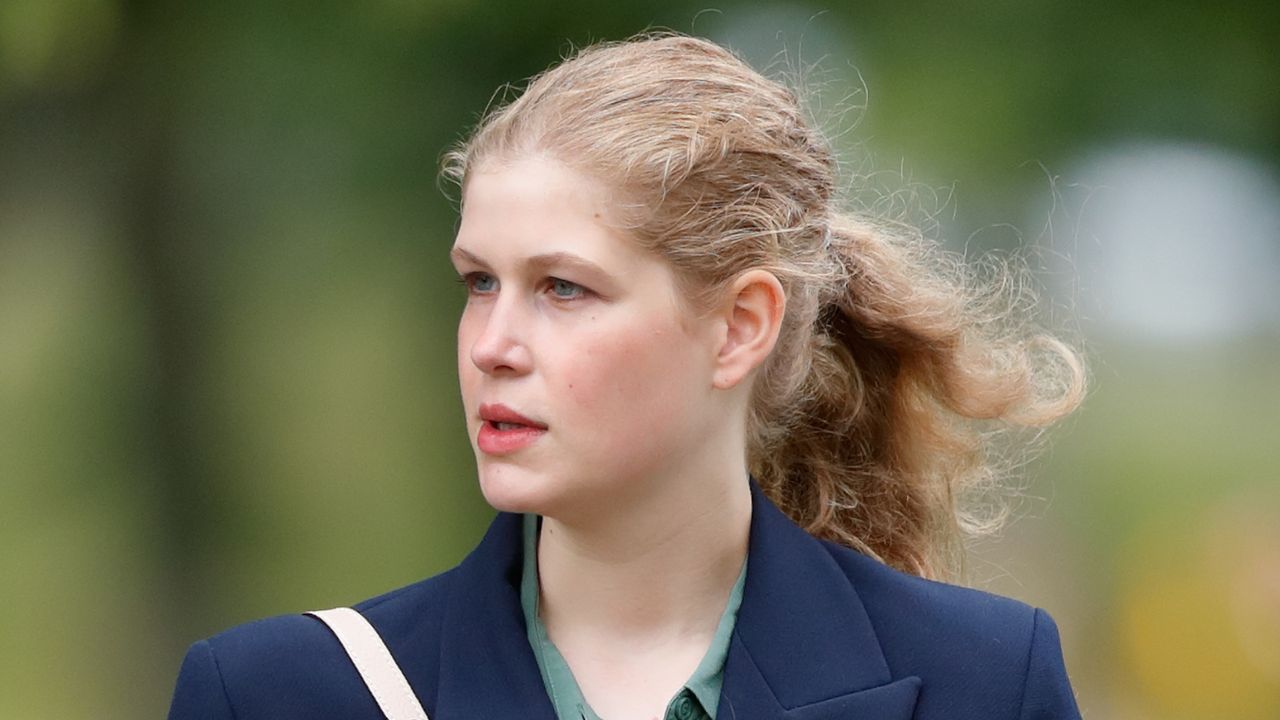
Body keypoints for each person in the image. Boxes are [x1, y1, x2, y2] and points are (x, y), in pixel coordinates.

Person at [167, 33, 1086, 720]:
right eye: (480, 282)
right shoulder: (279, 693)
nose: (494, 343)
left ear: (739, 327)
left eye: (562, 288)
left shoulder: (985, 683)